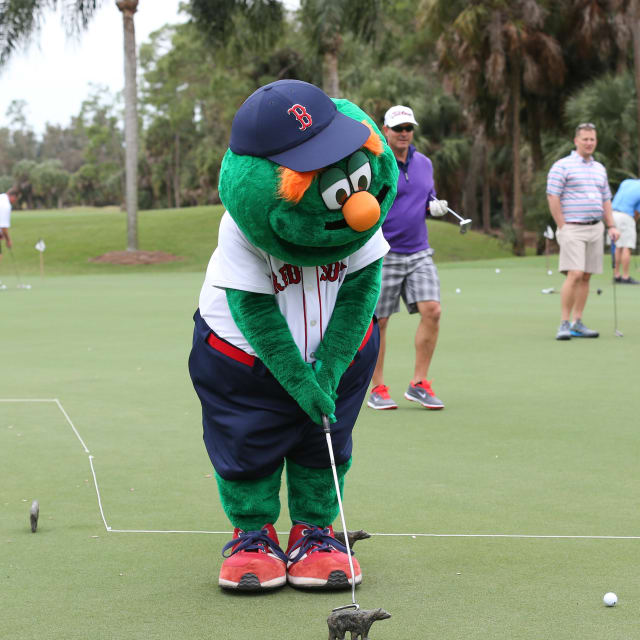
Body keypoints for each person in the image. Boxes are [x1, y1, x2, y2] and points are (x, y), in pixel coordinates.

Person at [188, 80, 399, 591]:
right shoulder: (242, 225)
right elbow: (252, 309)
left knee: (325, 441)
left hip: (336, 350)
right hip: (245, 359)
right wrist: (302, 382)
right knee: (247, 444)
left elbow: (363, 283)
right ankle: (252, 533)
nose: (358, 211)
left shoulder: (358, 202)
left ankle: (315, 530)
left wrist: (327, 369)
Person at [367, 105, 448, 411]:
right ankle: (377, 387)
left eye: (408, 128)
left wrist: (433, 207)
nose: (403, 134)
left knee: (433, 310)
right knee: (379, 322)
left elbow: (426, 198)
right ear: (385, 130)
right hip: (383, 252)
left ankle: (419, 383)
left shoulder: (425, 163)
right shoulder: (375, 164)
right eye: (397, 128)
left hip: (418, 250)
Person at [546, 122, 620, 341]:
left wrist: (612, 225)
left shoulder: (599, 168)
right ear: (576, 141)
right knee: (575, 273)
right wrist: (562, 226)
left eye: (592, 140)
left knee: (586, 276)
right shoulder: (562, 166)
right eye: (585, 139)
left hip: (595, 227)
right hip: (572, 228)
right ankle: (564, 323)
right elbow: (553, 195)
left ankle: (578, 321)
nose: (589, 143)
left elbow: (605, 198)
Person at [610, 178, 640, 284]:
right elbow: (637, 212)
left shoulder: (626, 182)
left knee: (619, 246)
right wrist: (634, 221)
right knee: (627, 247)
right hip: (626, 215)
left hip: (612, 214)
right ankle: (626, 277)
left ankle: (617, 275)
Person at [0, 187, 19, 263]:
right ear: (13, 196)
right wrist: (8, 240)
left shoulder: (1, 197)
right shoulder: (6, 205)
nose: (15, 202)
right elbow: (4, 227)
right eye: (15, 199)